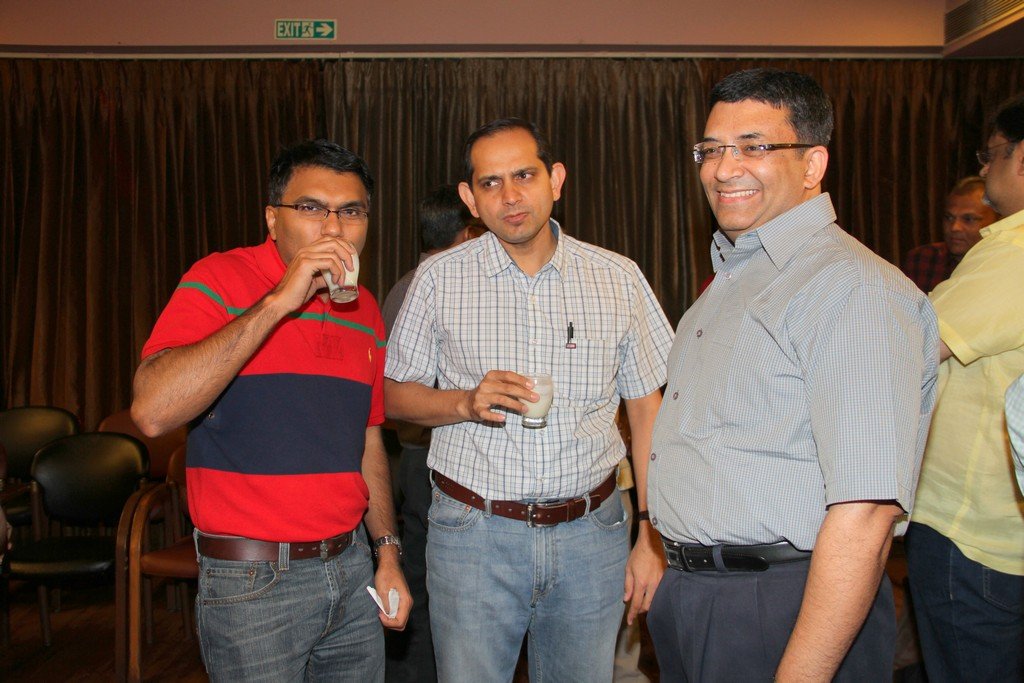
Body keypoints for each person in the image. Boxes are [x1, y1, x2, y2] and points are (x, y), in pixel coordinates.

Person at [646, 68, 939, 681]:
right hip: (699, 594)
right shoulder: (736, 276)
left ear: (813, 165)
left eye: (753, 146)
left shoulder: (850, 289)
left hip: (782, 602)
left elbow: (867, 511)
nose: (724, 169)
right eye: (711, 149)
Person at [384, 118, 674, 683]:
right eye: (490, 183)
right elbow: (392, 396)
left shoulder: (618, 277)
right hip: (473, 534)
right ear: (470, 198)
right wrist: (464, 402)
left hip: (592, 535)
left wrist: (651, 534)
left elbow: (647, 413)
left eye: (524, 175)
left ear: (556, 179)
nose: (510, 196)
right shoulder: (438, 279)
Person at [130, 139, 411, 682]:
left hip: (352, 570)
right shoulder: (218, 278)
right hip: (253, 582)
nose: (334, 228)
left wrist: (387, 553)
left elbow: (368, 440)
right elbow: (152, 411)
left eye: (351, 211)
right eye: (311, 208)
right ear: (272, 219)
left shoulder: (366, 310)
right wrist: (280, 301)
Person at [906, 93, 1024, 682]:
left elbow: (911, 352)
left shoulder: (1012, 254)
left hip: (974, 533)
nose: (985, 167)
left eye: (992, 153)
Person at [380, 184, 481, 683]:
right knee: (432, 591)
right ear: (467, 234)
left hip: (412, 458)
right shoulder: (436, 289)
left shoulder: (401, 286)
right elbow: (396, 394)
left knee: (423, 584)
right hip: (431, 459)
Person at [901, 175, 999, 292]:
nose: (954, 227)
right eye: (949, 217)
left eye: (968, 219)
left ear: (996, 222)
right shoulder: (922, 259)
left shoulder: (1004, 263)